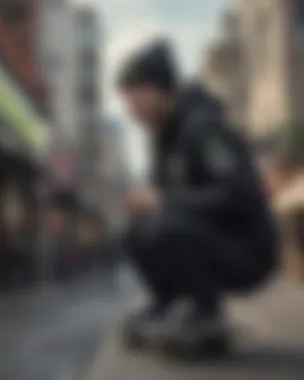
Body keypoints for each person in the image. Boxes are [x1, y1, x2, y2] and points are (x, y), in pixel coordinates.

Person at [117, 39, 278, 354]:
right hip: (207, 236)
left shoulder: (203, 127)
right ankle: (170, 303)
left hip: (248, 249)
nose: (130, 107)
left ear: (160, 89)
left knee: (166, 220)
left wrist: (165, 201)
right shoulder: (162, 142)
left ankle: (206, 313)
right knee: (135, 232)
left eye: (136, 94)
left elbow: (241, 193)